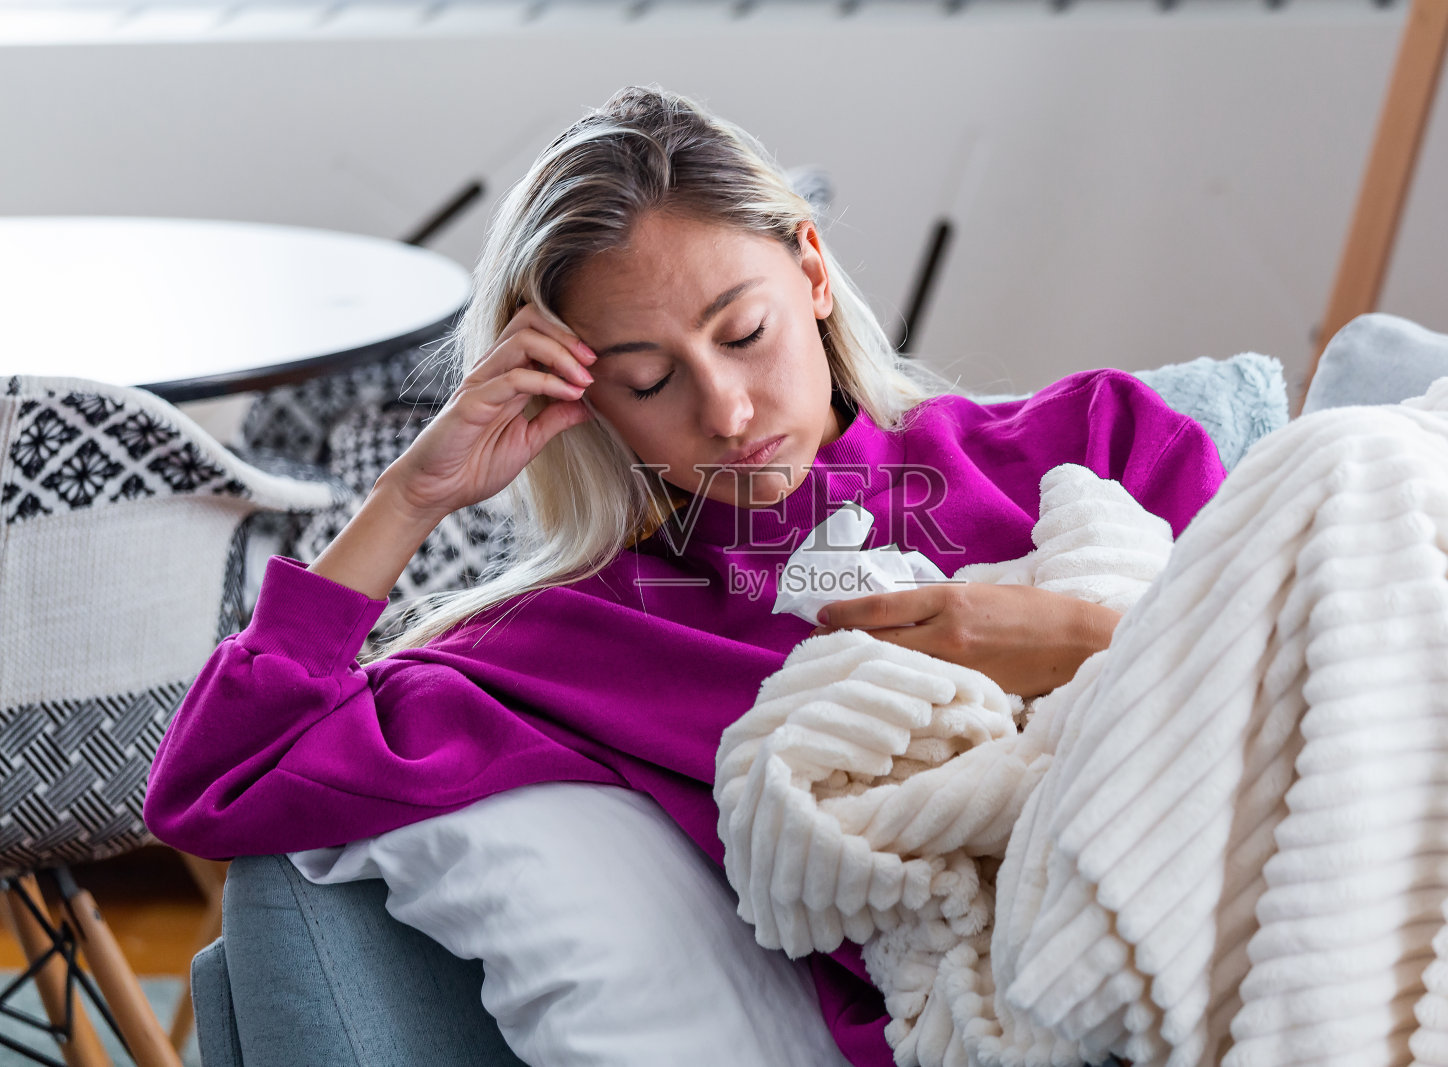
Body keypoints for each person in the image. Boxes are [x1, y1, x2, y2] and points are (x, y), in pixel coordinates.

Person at [144, 85, 1226, 1066]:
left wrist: (1078, 640)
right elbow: (213, 777)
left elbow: (1304, 680)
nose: (727, 411)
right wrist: (412, 495)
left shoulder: (1091, 438)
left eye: (743, 332)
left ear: (809, 268)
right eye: (649, 379)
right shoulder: (587, 638)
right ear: (584, 400)